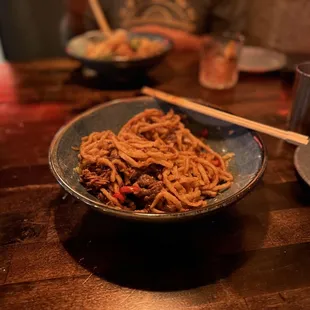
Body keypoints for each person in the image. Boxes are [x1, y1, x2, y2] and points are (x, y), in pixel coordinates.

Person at [62, 0, 246, 50]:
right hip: (114, 85)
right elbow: (85, 40)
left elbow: (228, 45)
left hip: (190, 85)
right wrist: (76, 12)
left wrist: (182, 42)